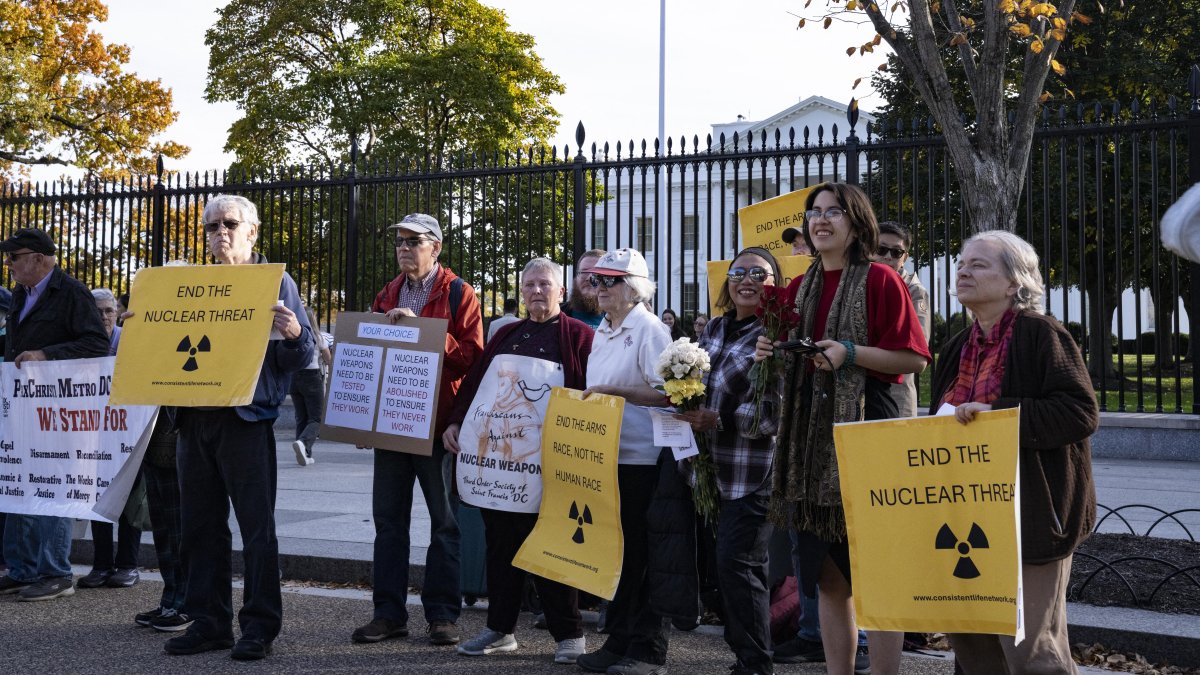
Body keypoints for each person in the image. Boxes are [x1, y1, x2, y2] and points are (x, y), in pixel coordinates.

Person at [759, 182, 930, 675]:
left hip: (869, 435)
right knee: (829, 578)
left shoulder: (879, 279)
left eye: (834, 212)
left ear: (857, 222)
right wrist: (770, 355)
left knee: (876, 575)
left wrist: (849, 353)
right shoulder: (798, 287)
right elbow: (788, 356)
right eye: (814, 212)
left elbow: (913, 359)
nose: (821, 220)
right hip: (814, 451)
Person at [931, 231, 1098, 674]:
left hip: (1031, 516)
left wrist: (997, 413)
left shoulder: (1041, 334)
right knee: (974, 644)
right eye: (962, 262)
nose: (963, 270)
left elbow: (1079, 411)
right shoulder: (956, 348)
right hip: (965, 516)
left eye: (979, 264)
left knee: (1030, 652)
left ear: (1014, 283)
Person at [161, 195, 316, 661]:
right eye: (211, 226)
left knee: (256, 529)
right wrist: (143, 326)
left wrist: (293, 333)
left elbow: (302, 356)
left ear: (252, 231)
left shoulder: (275, 283)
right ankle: (209, 622)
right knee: (200, 528)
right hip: (193, 419)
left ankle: (259, 626)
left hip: (246, 421)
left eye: (229, 223)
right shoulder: (190, 284)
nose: (219, 232)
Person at [444, 257, 593, 665]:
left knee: (552, 545)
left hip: (553, 463)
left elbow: (590, 396)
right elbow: (475, 385)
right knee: (501, 546)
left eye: (545, 284)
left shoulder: (578, 336)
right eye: (529, 285)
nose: (536, 291)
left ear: (561, 291)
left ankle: (570, 634)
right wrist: (456, 422)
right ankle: (500, 629)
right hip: (501, 465)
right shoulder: (506, 334)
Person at [353, 213, 483, 648]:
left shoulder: (460, 293)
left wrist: (427, 334)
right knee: (389, 523)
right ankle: (387, 615)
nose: (404, 248)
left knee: (445, 524)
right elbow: (368, 356)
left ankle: (442, 616)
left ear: (436, 247)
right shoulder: (387, 292)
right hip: (391, 425)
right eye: (399, 242)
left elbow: (472, 358)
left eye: (414, 241)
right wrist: (360, 418)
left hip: (435, 427)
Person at [678, 247, 783, 675]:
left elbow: (774, 413)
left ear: (775, 285)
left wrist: (717, 418)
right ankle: (745, 657)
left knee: (738, 566)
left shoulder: (773, 335)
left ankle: (757, 663)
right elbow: (694, 384)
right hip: (708, 472)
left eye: (759, 274)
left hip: (751, 474)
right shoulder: (716, 328)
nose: (747, 281)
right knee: (725, 571)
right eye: (739, 272)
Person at [575, 248, 675, 675]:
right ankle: (619, 639)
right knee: (619, 554)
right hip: (606, 455)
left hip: (641, 458)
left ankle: (647, 648)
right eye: (595, 280)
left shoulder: (650, 329)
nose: (598, 288)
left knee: (642, 554)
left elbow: (672, 395)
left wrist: (620, 396)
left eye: (608, 281)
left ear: (633, 288)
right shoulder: (604, 328)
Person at [0, 228, 109, 602]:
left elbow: (96, 343)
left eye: (15, 257)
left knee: (54, 482)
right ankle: (21, 568)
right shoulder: (20, 294)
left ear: (40, 259)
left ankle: (56, 571)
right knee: (19, 480)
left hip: (60, 407)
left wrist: (46, 356)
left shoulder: (72, 292)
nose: (9, 264)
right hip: (24, 404)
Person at [77, 289, 142, 590]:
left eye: (108, 311)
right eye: (98, 311)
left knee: (129, 500)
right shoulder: (83, 343)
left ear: (117, 312)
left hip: (128, 432)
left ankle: (128, 564)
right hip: (93, 432)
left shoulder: (131, 340)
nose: (103, 316)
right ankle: (102, 564)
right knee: (97, 498)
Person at [872, 221, 931, 417]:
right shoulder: (862, 283)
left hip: (896, 398)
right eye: (881, 249)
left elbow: (916, 349)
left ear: (905, 257)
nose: (888, 257)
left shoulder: (915, 291)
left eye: (896, 252)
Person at [290, 305, 331, 466]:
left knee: (301, 417)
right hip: (312, 377)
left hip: (294, 377)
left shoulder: (294, 335)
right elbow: (328, 359)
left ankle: (305, 453)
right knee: (317, 418)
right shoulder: (317, 337)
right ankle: (303, 442)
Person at [563, 249, 607, 329]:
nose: (589, 278)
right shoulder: (557, 316)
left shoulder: (624, 317)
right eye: (584, 272)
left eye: (596, 273)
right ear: (576, 277)